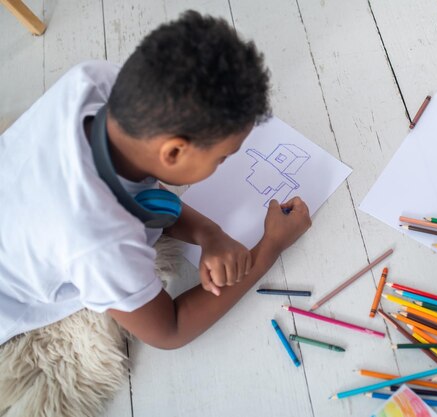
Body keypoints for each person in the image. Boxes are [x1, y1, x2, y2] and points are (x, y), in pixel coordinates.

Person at [0, 11, 311, 350]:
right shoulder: (100, 242)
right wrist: (270, 247)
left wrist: (210, 233)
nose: (226, 163)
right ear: (174, 152)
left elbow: (145, 196)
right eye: (223, 157)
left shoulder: (92, 80)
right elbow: (170, 329)